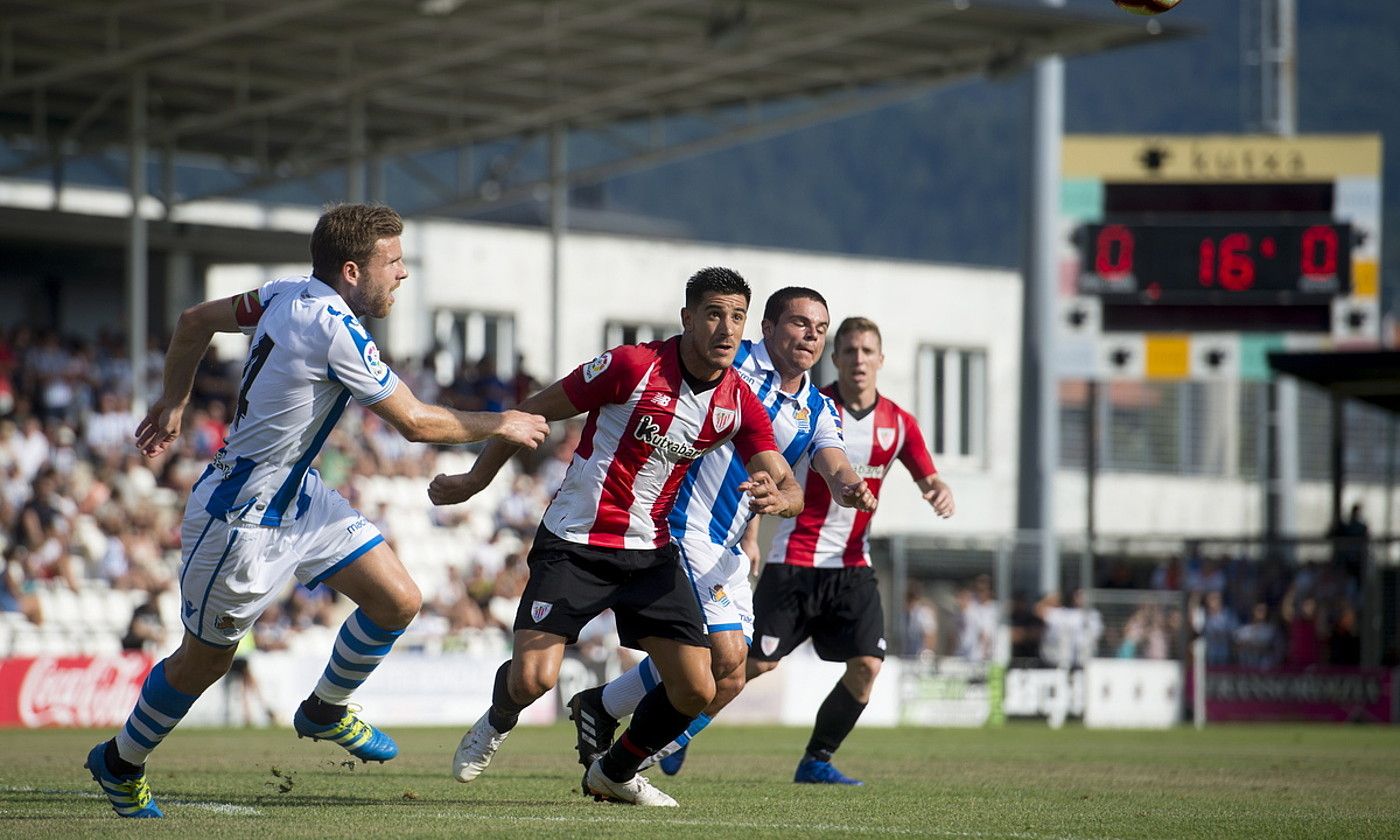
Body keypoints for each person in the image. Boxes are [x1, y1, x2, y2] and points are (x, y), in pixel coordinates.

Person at [84, 203, 550, 819]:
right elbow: (414, 423)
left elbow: (195, 319)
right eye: (394, 262)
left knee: (399, 600)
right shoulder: (332, 327)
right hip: (241, 519)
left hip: (297, 495)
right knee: (205, 664)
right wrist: (504, 421)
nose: (403, 274)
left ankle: (325, 707)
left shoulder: (284, 293)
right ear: (353, 271)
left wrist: (173, 400)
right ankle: (119, 762)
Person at [427, 267, 804, 807]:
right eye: (715, 314)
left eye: (738, 317)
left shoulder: (738, 402)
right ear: (687, 318)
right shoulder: (632, 365)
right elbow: (532, 411)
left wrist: (780, 498)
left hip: (651, 553)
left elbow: (786, 481)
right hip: (576, 543)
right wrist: (474, 479)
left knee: (698, 689)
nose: (727, 329)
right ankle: (497, 719)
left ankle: (615, 771)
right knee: (534, 680)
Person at [565, 288, 877, 778]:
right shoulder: (734, 364)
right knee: (724, 653)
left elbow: (831, 463)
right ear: (767, 329)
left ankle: (607, 722)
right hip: (681, 526)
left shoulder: (818, 408)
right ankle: (623, 758)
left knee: (731, 677)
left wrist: (849, 485)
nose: (810, 336)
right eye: (798, 323)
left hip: (727, 546)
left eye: (819, 329)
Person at [645, 316, 954, 786]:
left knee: (868, 666)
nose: (858, 360)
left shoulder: (899, 424)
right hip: (794, 559)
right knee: (754, 662)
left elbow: (926, 474)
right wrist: (750, 535)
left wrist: (937, 490)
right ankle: (677, 728)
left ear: (881, 360)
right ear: (836, 357)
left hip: (853, 565)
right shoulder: (809, 408)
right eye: (849, 350)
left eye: (867, 351)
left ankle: (816, 759)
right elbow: (765, 471)